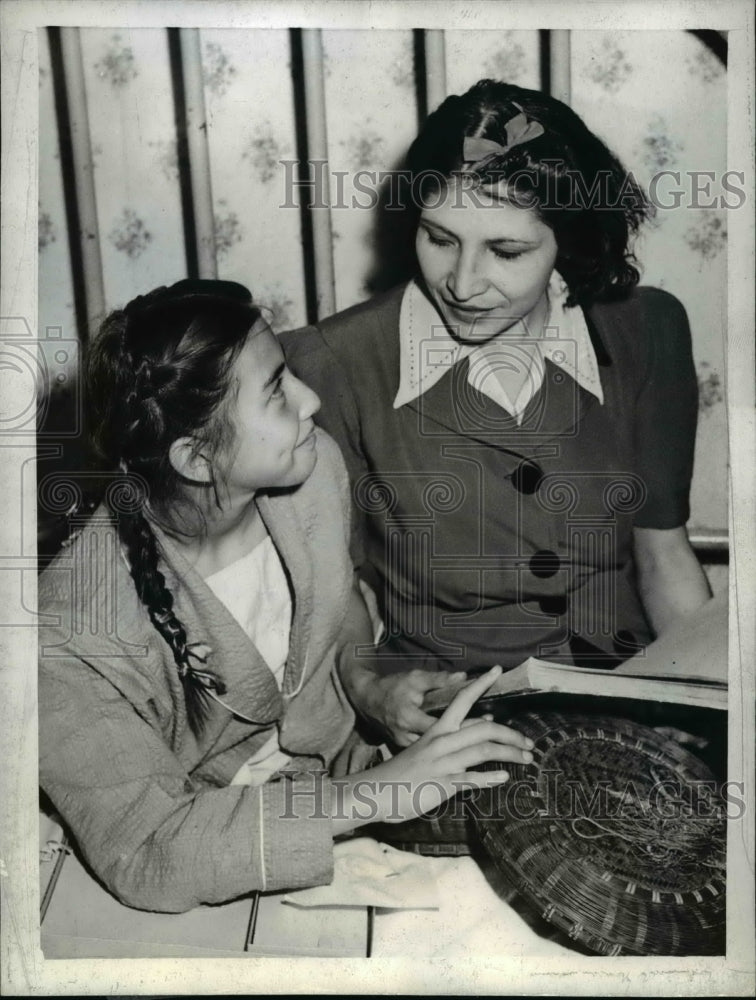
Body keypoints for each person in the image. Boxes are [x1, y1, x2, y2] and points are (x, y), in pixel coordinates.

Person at [37, 279, 534, 913]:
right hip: (220, 846)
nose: (311, 399)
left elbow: (341, 600)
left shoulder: (310, 468)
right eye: (276, 390)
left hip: (350, 773)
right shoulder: (64, 635)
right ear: (196, 457)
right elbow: (148, 852)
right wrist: (380, 794)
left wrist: (368, 682)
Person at [280, 79, 713, 750]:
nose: (462, 282)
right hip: (455, 720)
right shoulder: (329, 364)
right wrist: (371, 689)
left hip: (632, 699)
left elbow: (664, 555)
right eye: (439, 238)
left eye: (507, 252)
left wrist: (696, 707)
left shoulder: (646, 329)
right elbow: (333, 592)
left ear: (568, 241)